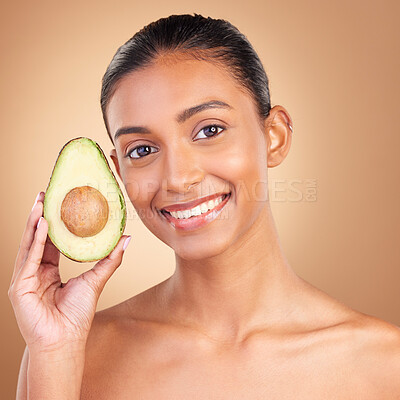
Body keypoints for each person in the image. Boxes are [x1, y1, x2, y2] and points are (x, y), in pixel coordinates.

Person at [9, 14, 400, 399]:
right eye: (142, 150)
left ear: (275, 137)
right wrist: (53, 356)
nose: (178, 179)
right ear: (118, 173)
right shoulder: (70, 352)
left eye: (209, 130)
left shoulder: (384, 365)